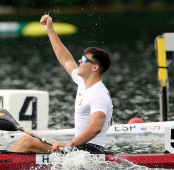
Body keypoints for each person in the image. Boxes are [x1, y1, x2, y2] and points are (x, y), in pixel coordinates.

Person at [9, 14, 113, 154]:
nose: (80, 61)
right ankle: (2, 162)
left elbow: (96, 127)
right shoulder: (83, 83)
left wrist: (69, 144)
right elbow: (65, 59)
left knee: (28, 141)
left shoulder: (98, 94)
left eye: (84, 59)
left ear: (95, 68)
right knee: (24, 140)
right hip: (79, 148)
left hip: (91, 152)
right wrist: (50, 30)